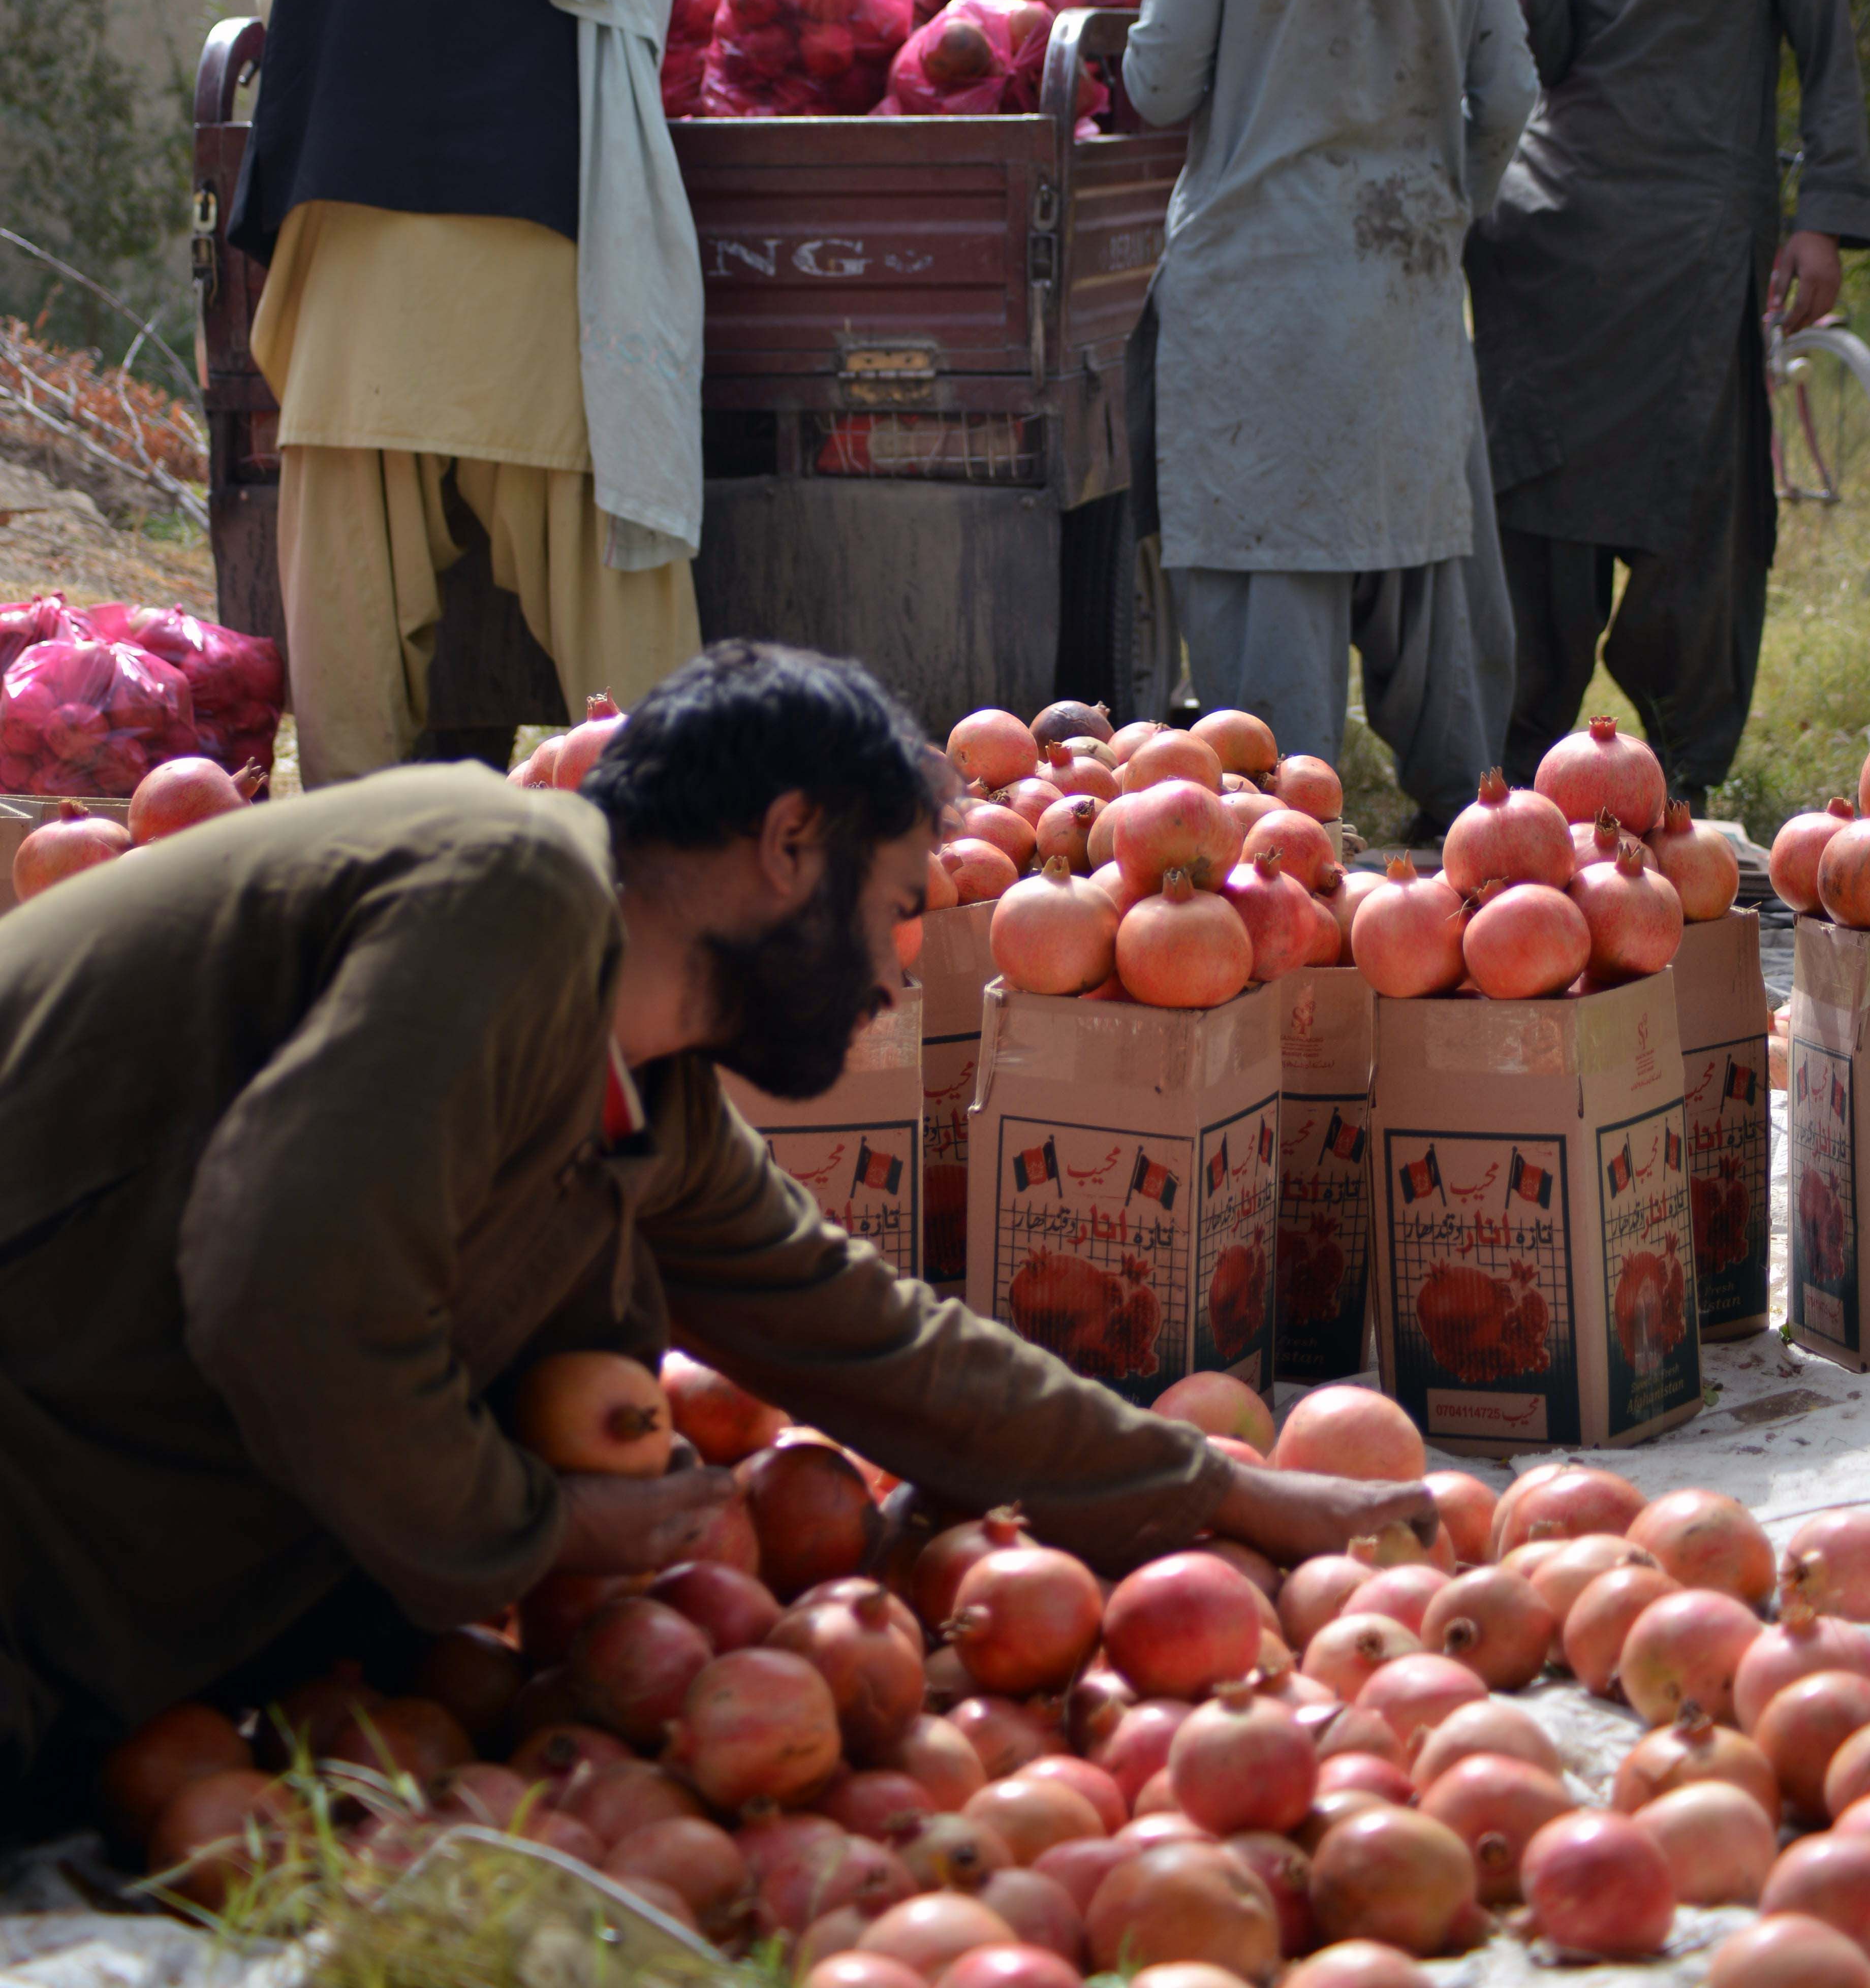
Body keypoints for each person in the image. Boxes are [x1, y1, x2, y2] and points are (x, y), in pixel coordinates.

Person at [0, 641, 1430, 1809]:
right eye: (894, 909)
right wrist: (543, 1526)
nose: (895, 976)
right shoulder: (511, 883)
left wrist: (1226, 1492)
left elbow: (873, 1340)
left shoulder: (646, 1092)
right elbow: (288, 1285)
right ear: (789, 842)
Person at [231, 0, 704, 788]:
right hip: (538, 278)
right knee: (615, 600)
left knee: (348, 619)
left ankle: (356, 847)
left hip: (357, 286)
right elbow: (644, 7)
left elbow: (287, 12)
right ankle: (680, 813)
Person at [1123, 0, 1538, 834]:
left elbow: (1157, 87)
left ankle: (1283, 844)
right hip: (1404, 288)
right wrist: (1446, 210)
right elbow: (1509, 95)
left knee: (1270, 571)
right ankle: (1472, 827)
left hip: (1253, 301)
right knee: (1423, 545)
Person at [1467, 0, 1870, 800]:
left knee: (1695, 520)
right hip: (1544, 254)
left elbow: (1830, 70)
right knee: (1529, 507)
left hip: (1693, 256)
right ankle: (1510, 770)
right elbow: (1544, 64)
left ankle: (1681, 772)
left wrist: (1821, 224)